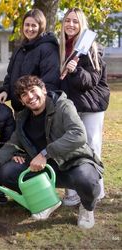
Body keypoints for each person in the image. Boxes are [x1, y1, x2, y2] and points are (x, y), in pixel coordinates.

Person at [0, 75, 103, 229]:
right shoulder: (23, 118)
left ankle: (87, 207)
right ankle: (47, 201)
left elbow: (78, 134)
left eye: (32, 91)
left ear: (43, 90)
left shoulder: (63, 106)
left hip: (74, 162)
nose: (30, 97)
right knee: (6, 172)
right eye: (24, 94)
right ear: (21, 101)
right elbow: (11, 145)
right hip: (45, 169)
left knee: (87, 180)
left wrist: (45, 154)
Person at [59, 8, 110, 206]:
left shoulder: (92, 48)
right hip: (71, 105)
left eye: (75, 21)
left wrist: (76, 70)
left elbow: (90, 81)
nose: (71, 25)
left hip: (92, 105)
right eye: (67, 21)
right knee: (71, 147)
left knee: (92, 146)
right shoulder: (63, 47)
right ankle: (71, 194)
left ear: (82, 25)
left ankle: (96, 191)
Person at [0, 8, 60, 113]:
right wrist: (5, 90)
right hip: (19, 109)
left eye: (34, 25)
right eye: (27, 25)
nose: (30, 29)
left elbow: (50, 81)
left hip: (37, 110)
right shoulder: (20, 49)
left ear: (41, 27)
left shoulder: (48, 49)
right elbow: (11, 75)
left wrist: (37, 105)